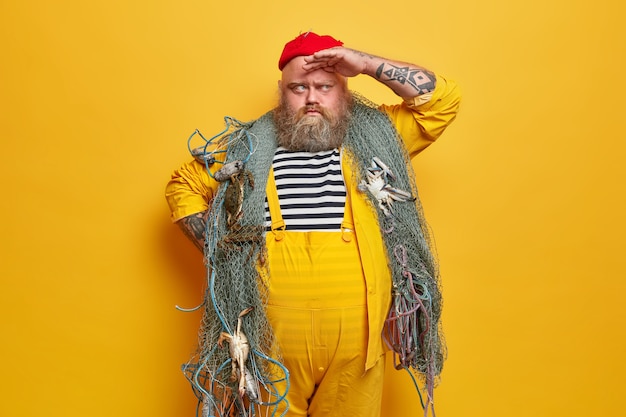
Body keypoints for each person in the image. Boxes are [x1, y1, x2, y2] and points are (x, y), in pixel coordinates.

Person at [166, 32, 461, 417]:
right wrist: (221, 247)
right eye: (298, 87)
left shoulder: (380, 135)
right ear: (281, 91)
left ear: (345, 89)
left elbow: (440, 102)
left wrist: (366, 63)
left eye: (325, 86)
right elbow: (183, 185)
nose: (311, 98)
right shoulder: (247, 146)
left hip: (358, 350)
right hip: (266, 343)